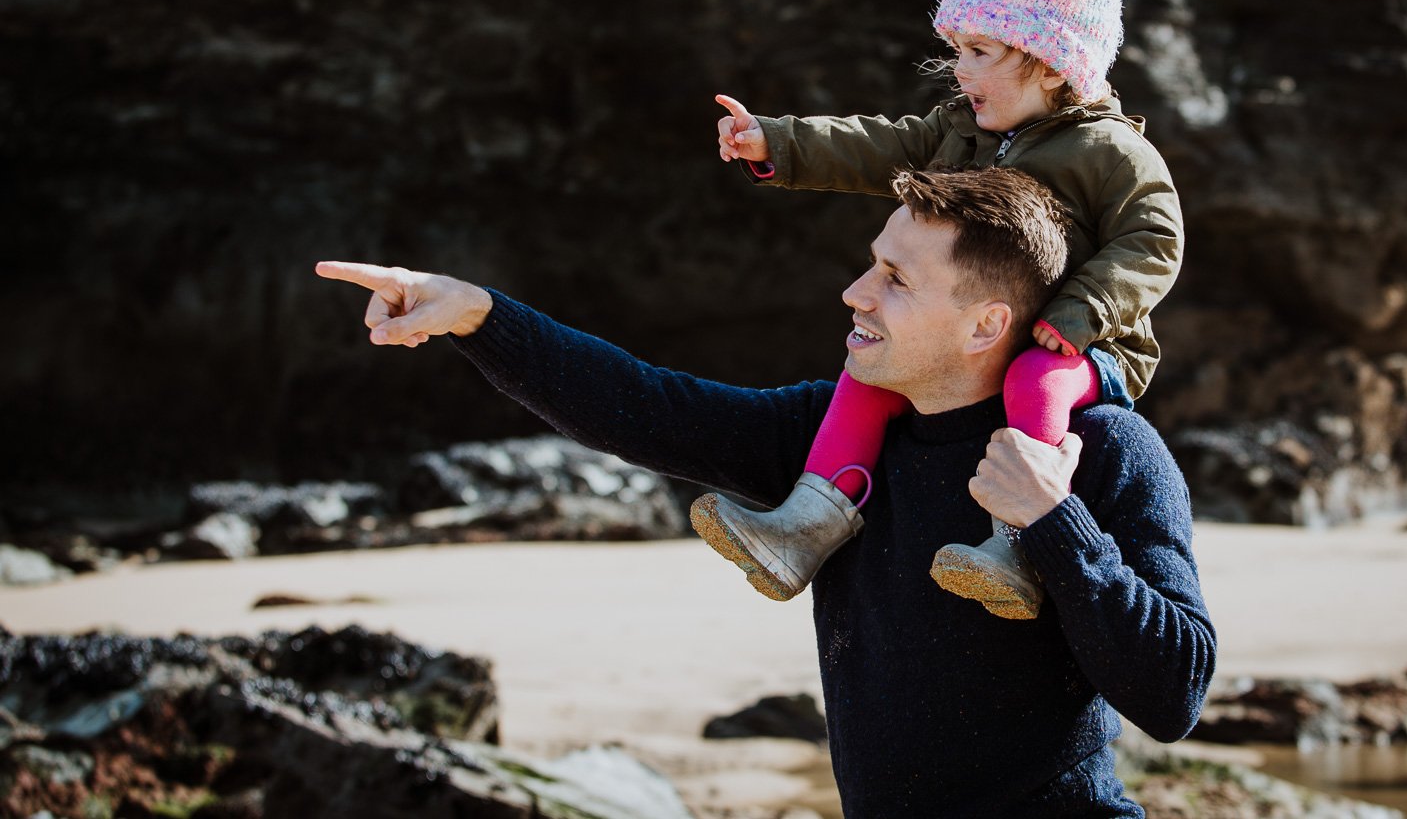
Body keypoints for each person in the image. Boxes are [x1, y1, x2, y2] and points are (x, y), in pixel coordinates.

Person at [315, 167, 1215, 817]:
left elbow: (1175, 692)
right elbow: (645, 406)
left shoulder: (1103, 451)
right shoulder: (835, 440)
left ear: (987, 323)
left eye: (896, 280)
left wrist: (1056, 523)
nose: (855, 292)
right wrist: (479, 314)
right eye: (873, 262)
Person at [703, 0, 1183, 619]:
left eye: (981, 50)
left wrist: (1084, 315)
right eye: (957, 47)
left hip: (1081, 344)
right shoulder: (961, 129)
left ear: (1054, 62)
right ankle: (807, 524)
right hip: (976, 328)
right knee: (871, 367)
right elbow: (879, 146)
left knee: (1034, 379)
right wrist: (777, 141)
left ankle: (1018, 544)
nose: (960, 68)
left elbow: (1154, 240)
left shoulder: (1111, 153)